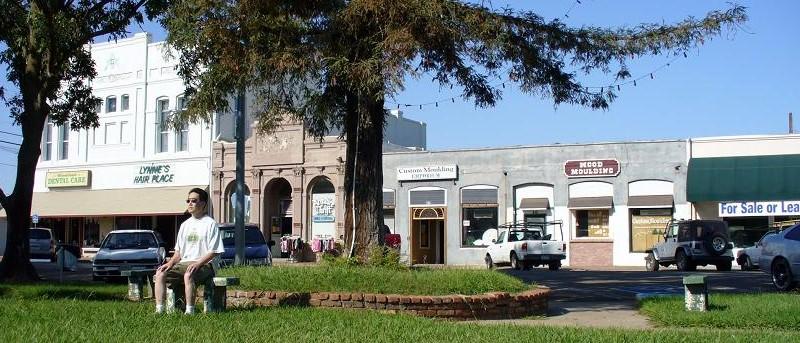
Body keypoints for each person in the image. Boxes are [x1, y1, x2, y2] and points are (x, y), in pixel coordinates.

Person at [154, 188, 224, 314]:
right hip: (185, 263)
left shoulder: (210, 224)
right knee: (160, 273)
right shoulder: (184, 225)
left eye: (194, 201)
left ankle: (189, 311)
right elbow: (178, 253)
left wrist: (198, 264)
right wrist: (170, 264)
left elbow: (214, 251)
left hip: (206, 265)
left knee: (188, 274)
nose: (190, 204)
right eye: (188, 201)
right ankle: (159, 310)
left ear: (202, 204)